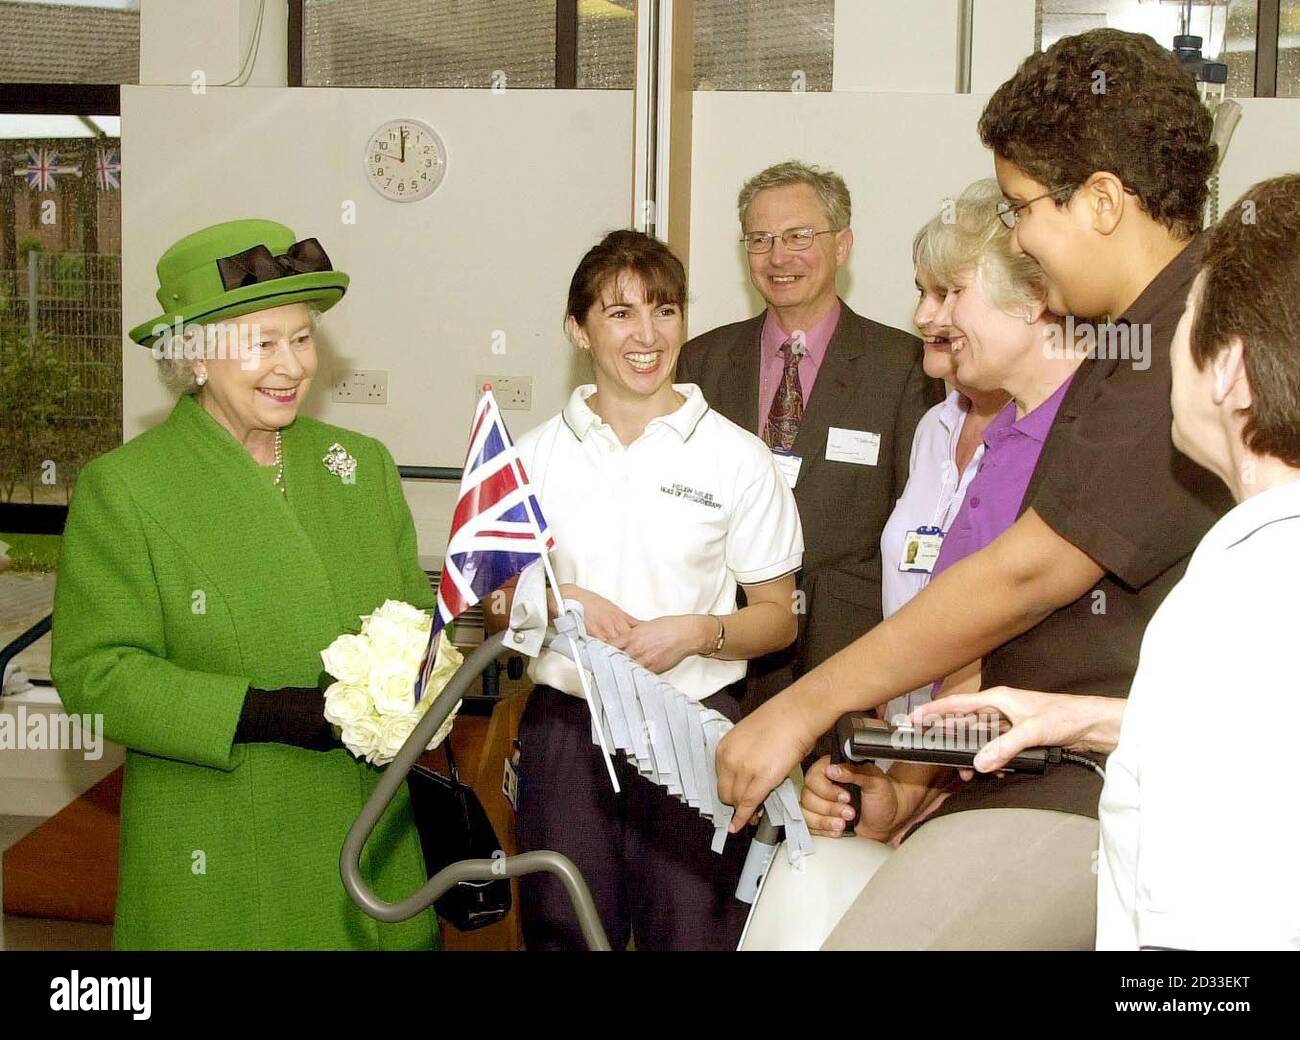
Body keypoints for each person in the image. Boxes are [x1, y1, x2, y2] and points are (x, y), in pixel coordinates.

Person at [716, 29, 1232, 949]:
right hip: (1023, 763)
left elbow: (1028, 576)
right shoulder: (1128, 343)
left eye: (1022, 206)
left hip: (1087, 788)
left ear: (1104, 202)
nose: (1020, 234)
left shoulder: (1176, 341)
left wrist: (799, 707)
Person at [916, 176, 1300, 950]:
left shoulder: (1246, 586)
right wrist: (1085, 720)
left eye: (1179, 335)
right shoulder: (1260, 565)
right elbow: (1259, 745)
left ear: (1225, 371)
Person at [52, 219, 438, 950]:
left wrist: (420, 677)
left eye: (302, 338)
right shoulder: (127, 488)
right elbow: (96, 674)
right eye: (262, 343)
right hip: (222, 851)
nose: (291, 365)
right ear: (193, 358)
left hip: (368, 835)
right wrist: (265, 713)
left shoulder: (361, 465)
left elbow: (413, 618)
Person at [503, 229, 803, 951]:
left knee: (692, 934)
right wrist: (555, 599)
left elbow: (778, 618)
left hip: (694, 728)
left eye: (664, 311)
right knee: (564, 932)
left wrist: (700, 632)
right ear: (578, 329)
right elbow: (490, 596)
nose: (647, 335)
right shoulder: (532, 455)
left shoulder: (737, 456)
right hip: (568, 731)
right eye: (620, 313)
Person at [676, 161, 940, 718]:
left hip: (849, 649)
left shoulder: (907, 367)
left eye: (799, 236)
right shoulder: (701, 361)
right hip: (724, 649)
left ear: (842, 244)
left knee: (839, 804)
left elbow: (918, 518)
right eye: (761, 239)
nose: (779, 257)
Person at [878, 190, 1012, 724]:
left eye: (948, 292)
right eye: (921, 292)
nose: (922, 315)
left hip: (983, 749)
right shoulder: (934, 426)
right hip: (903, 733)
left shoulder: (1047, 440)